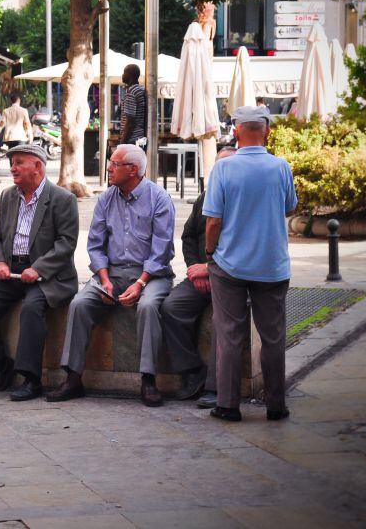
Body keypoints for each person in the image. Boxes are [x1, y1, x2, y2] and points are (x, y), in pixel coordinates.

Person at [48, 144, 176, 406]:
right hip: (113, 273)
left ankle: (148, 380)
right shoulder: (106, 198)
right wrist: (105, 280)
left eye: (114, 164)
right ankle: (73, 377)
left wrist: (140, 284)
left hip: (151, 275)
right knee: (79, 304)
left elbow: (161, 251)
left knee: (149, 306)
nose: (108, 168)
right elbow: (95, 244)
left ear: (133, 170)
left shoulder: (159, 199)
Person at [204, 106, 298, 422]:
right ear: (267, 131)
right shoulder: (281, 167)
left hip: (230, 264)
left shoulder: (224, 169)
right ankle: (275, 405)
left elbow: (213, 221)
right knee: (273, 338)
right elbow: (288, 208)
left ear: (237, 131)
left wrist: (209, 252)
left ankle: (228, 405)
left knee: (229, 335)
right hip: (272, 265)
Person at [0, 144, 79, 402]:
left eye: (19, 162)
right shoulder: (9, 196)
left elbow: (66, 243)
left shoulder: (63, 199)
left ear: (37, 167)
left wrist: (38, 268)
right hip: (12, 271)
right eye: (12, 163)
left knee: (32, 308)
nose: (13, 168)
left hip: (49, 275)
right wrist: (0, 263)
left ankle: (31, 379)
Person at [161, 147, 238, 410]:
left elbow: (241, 244)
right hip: (201, 275)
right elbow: (188, 237)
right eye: (218, 165)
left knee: (221, 322)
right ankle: (192, 370)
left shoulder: (241, 200)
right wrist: (195, 267)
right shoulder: (205, 197)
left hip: (231, 277)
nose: (222, 171)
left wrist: (210, 267)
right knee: (171, 307)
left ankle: (217, 388)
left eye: (228, 165)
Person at [0, 94, 32, 169]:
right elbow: (27, 124)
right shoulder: (24, 111)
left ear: (11, 101)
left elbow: (1, 124)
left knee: (12, 155)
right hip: (20, 137)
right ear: (19, 101)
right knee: (20, 155)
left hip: (10, 138)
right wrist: (30, 136)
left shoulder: (6, 111)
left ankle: (13, 170)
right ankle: (20, 170)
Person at [118, 64, 147, 147]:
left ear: (131, 75)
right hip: (140, 138)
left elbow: (130, 121)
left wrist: (122, 142)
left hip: (132, 140)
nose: (122, 75)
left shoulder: (131, 92)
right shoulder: (140, 89)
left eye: (124, 72)